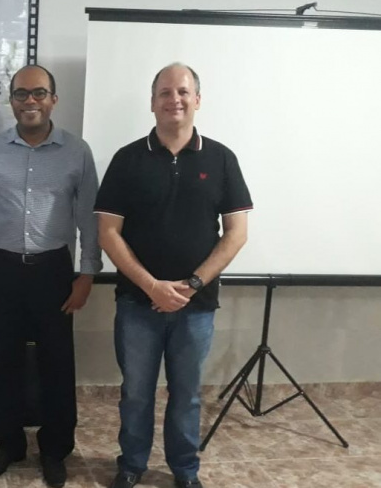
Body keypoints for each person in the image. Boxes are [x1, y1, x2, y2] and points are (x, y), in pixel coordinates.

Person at [95, 63, 252, 488]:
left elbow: (236, 233)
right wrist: (151, 286)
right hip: (137, 304)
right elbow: (108, 232)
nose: (174, 99)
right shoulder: (127, 159)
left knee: (187, 396)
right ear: (152, 102)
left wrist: (193, 284)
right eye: (165, 92)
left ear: (197, 99)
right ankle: (131, 465)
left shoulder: (222, 159)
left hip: (196, 306)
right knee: (136, 393)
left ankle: (185, 471)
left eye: (183, 91)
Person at [0, 64, 102, 488]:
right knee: (3, 360)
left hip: (54, 272)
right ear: (12, 101)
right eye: (21, 94)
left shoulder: (77, 152)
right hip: (3, 270)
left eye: (39, 93)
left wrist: (87, 274)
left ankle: (55, 449)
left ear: (53, 99)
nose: (30, 101)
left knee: (56, 362)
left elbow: (89, 218)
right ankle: (9, 443)